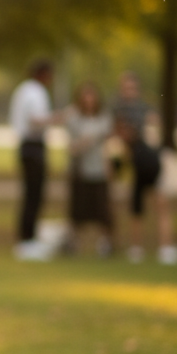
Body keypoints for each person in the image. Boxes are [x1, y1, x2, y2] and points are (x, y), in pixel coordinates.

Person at [112, 71, 177, 264]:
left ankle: (165, 248)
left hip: (152, 163)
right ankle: (136, 249)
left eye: (132, 87)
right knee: (136, 208)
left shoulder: (144, 110)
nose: (129, 91)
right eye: (126, 87)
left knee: (161, 204)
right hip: (137, 165)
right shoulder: (119, 111)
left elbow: (153, 132)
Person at [62, 82, 114, 256]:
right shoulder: (74, 119)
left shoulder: (103, 118)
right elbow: (73, 147)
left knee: (103, 209)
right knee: (77, 209)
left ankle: (106, 244)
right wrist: (85, 141)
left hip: (98, 169)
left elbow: (106, 143)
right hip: (80, 171)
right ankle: (72, 243)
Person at [9, 59, 54, 260]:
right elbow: (35, 119)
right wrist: (58, 118)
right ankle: (29, 240)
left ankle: (27, 238)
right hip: (33, 145)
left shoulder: (23, 90)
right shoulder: (35, 92)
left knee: (31, 193)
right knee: (34, 194)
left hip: (25, 146)